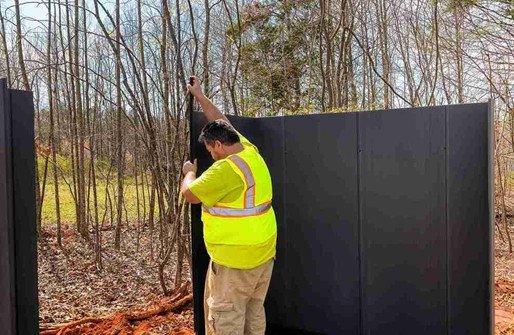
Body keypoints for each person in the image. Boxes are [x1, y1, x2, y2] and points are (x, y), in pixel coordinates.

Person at [181, 76, 277, 335]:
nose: (210, 154)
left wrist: (188, 172)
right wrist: (199, 95)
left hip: (235, 263)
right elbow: (221, 120)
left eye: (210, 149)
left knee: (225, 321)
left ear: (219, 145)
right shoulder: (249, 151)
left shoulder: (225, 170)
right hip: (263, 257)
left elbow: (190, 194)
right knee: (254, 315)